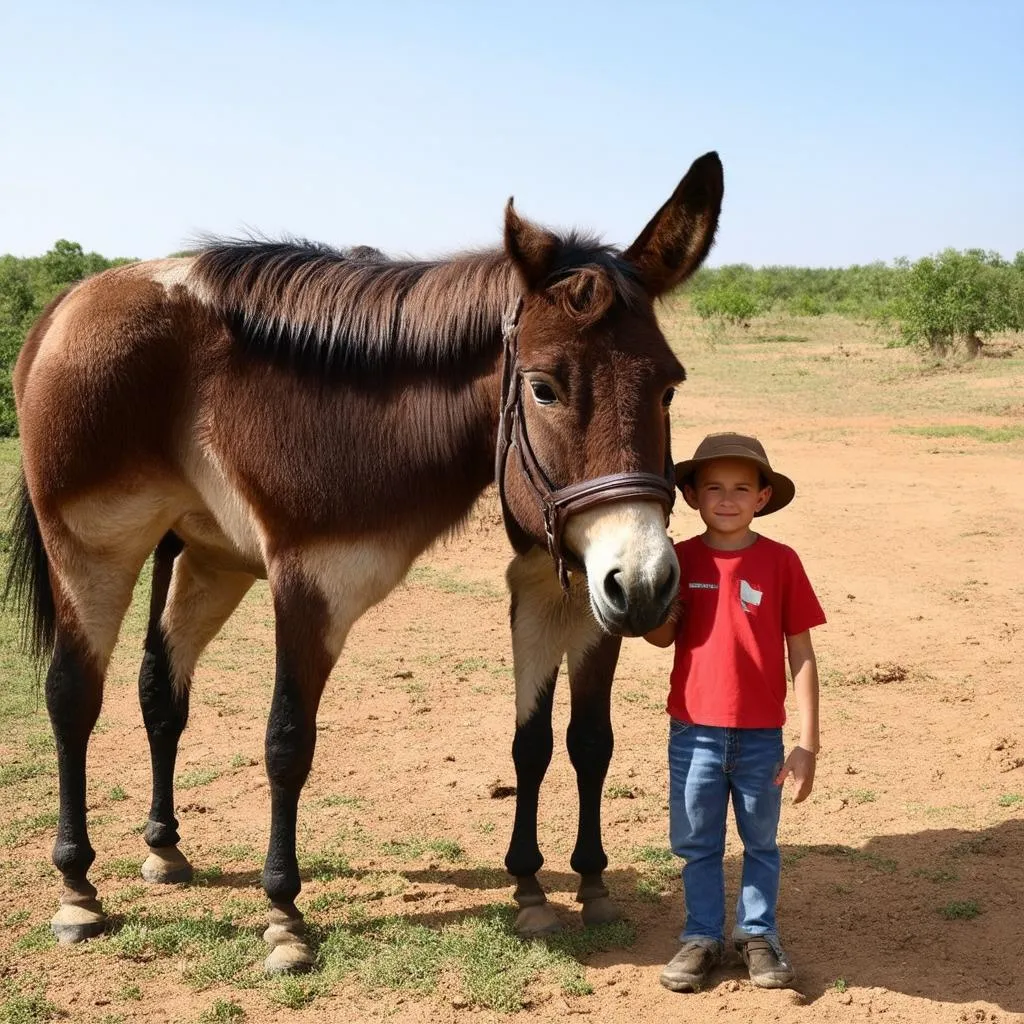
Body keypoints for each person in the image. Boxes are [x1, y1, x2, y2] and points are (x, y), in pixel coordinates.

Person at [644, 432, 826, 993]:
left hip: (761, 741)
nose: (727, 499)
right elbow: (659, 637)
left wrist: (808, 743)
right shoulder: (680, 558)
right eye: (713, 488)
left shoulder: (780, 562)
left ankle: (758, 936)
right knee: (697, 842)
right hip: (693, 734)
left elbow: (801, 652)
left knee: (761, 842)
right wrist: (651, 585)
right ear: (693, 496)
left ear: (763, 496)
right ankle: (701, 936)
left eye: (742, 488)